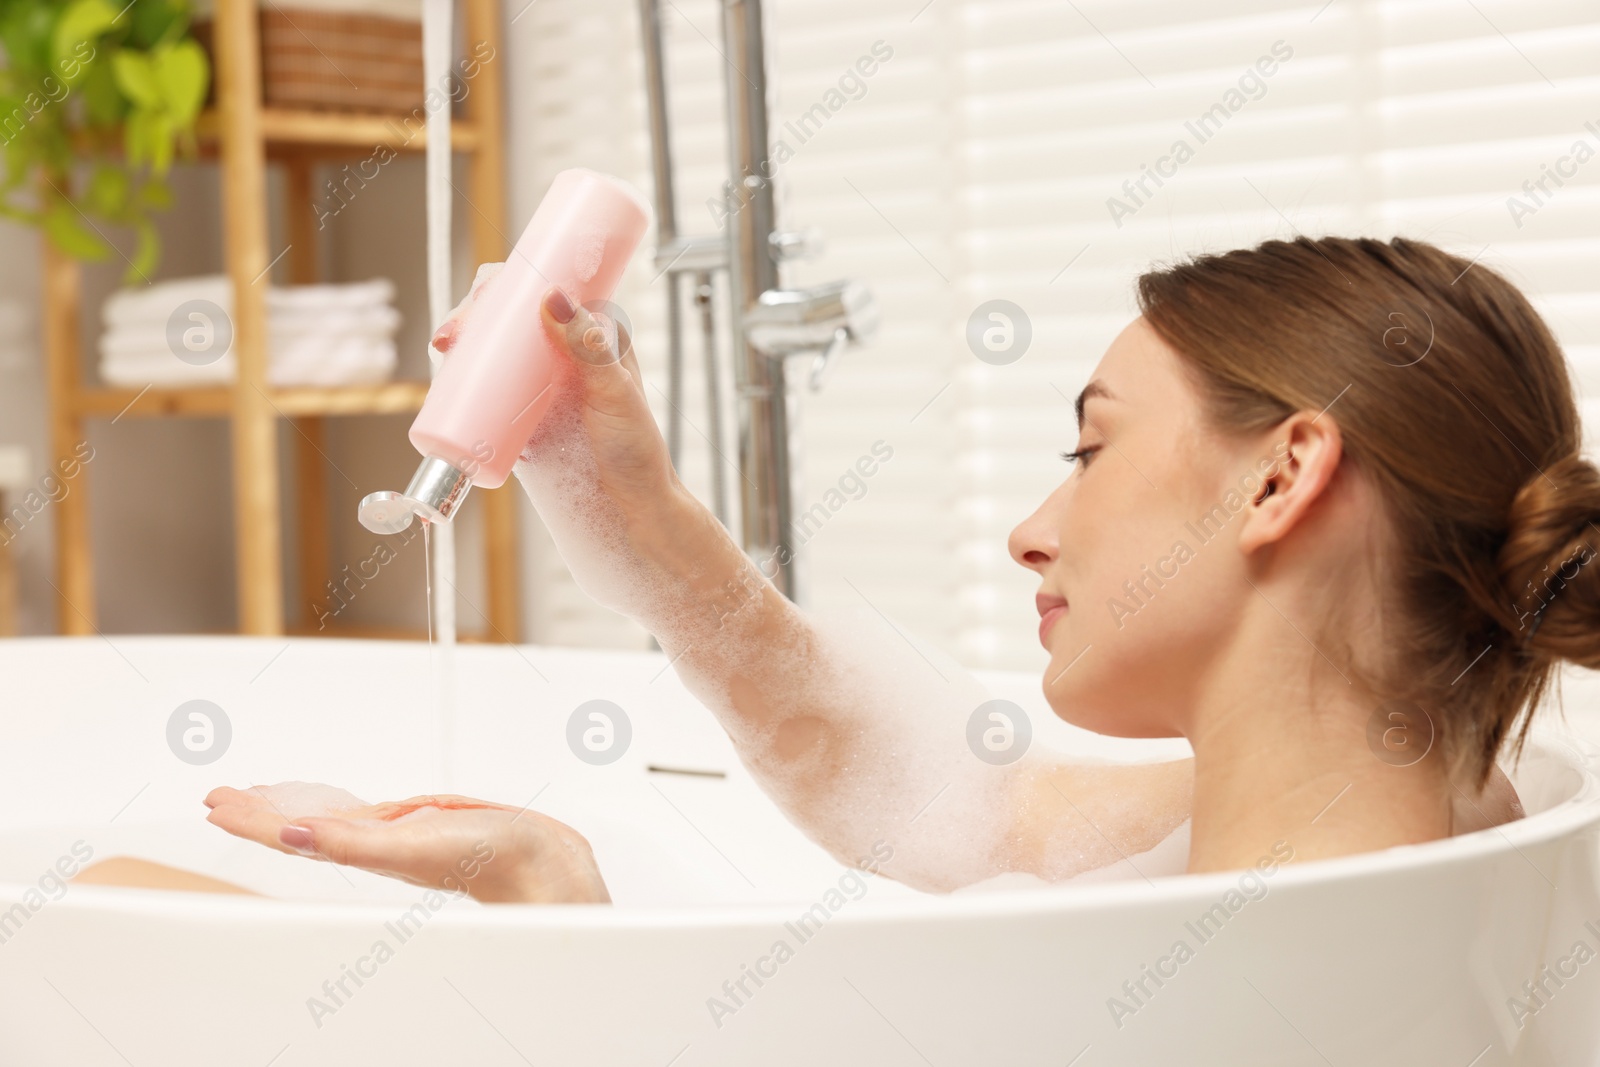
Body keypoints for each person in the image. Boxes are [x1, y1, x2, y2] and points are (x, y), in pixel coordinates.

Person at [194, 235, 1584, 904]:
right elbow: (972, 810)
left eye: (1091, 451)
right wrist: (643, 517)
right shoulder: (1442, 815)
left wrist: (554, 898)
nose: (1031, 529)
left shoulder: (1264, 967)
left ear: (1283, 478)